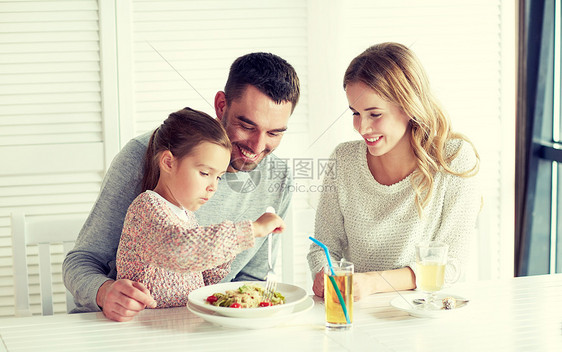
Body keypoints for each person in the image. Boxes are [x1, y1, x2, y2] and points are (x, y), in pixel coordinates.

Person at [63, 52, 300, 321]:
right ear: (221, 105)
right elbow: (81, 261)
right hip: (120, 326)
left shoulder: (277, 176)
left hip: (196, 326)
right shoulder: (144, 156)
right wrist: (104, 292)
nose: (257, 147)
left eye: (274, 133)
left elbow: (250, 280)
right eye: (246, 126)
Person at [307, 42, 481, 301]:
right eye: (355, 113)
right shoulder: (343, 159)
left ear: (409, 107)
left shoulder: (454, 159)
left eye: (374, 114)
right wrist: (324, 273)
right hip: (358, 310)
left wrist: (374, 282)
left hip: (424, 310)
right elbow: (323, 247)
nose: (362, 128)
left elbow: (451, 265)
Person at [115, 108, 284, 313]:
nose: (213, 186)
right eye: (205, 173)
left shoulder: (187, 217)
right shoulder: (147, 207)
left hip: (182, 324)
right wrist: (251, 229)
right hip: (147, 327)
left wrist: (224, 255)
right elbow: (180, 251)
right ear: (168, 162)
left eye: (219, 177)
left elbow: (202, 276)